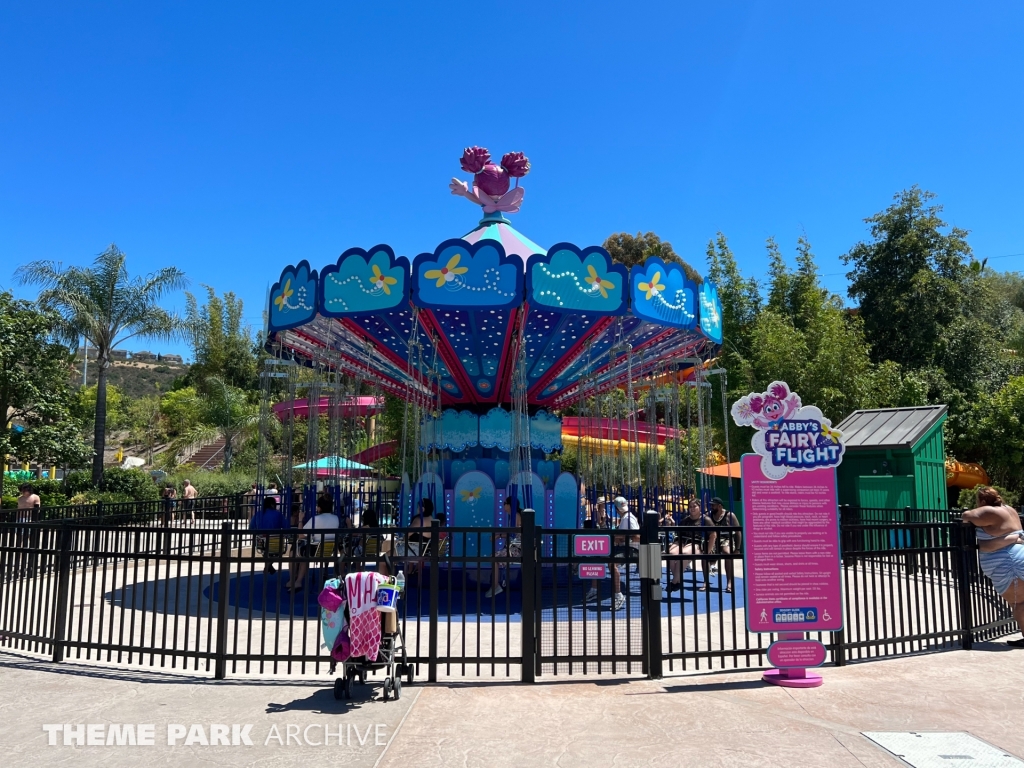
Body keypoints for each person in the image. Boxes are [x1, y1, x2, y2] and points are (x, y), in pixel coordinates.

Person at [962, 487, 1024, 648]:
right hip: (1015, 559)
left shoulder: (989, 511)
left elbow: (966, 515)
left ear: (982, 502)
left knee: (1019, 603)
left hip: (1010, 565)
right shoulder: (1009, 509)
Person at [586, 497, 638, 611]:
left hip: (631, 550)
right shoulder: (624, 518)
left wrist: (621, 538)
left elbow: (637, 537)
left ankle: (618, 595)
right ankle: (594, 590)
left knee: (612, 563)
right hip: (622, 547)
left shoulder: (629, 519)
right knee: (597, 556)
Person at [285, 495, 341, 592]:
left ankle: (294, 579)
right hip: (329, 549)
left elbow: (301, 535)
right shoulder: (336, 518)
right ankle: (297, 580)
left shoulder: (316, 519)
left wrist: (300, 519)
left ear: (319, 507)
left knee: (295, 551)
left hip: (315, 549)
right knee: (304, 551)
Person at [667, 499, 716, 592]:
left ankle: (674, 581)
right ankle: (678, 580)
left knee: (685, 554)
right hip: (683, 541)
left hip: (697, 543)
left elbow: (713, 535)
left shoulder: (705, 520)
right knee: (671, 554)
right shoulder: (686, 520)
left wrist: (708, 551)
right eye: (690, 507)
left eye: (694, 506)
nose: (692, 509)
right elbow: (678, 533)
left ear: (699, 507)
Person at [487, 497, 522, 598]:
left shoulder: (515, 516)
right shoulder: (514, 516)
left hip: (517, 549)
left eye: (504, 503)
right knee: (495, 557)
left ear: (509, 505)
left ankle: (495, 586)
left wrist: (499, 536)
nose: (503, 505)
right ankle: (495, 585)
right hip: (515, 547)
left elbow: (514, 533)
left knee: (495, 557)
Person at [709, 497, 741, 593]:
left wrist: (738, 548)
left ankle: (729, 582)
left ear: (719, 506)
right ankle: (706, 581)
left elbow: (738, 532)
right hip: (713, 539)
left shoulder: (729, 515)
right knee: (705, 552)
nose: (711, 507)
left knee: (727, 553)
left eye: (713, 505)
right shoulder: (709, 515)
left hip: (726, 539)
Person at [249, 496, 289, 574]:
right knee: (277, 551)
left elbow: (251, 527)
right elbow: (286, 527)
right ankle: (268, 566)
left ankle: (268, 566)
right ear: (272, 504)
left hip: (260, 540)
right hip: (275, 540)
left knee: (265, 551)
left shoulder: (258, 514)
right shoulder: (278, 514)